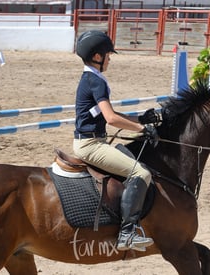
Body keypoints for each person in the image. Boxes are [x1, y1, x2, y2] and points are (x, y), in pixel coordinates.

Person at [73, 30, 159, 251]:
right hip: (91, 146)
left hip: (94, 141)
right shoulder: (95, 81)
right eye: (108, 55)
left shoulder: (92, 78)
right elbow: (111, 118)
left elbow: (109, 113)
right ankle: (127, 234)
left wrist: (141, 118)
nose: (110, 58)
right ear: (97, 57)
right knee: (142, 173)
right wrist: (142, 129)